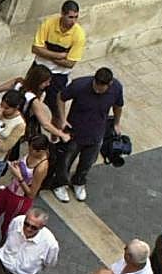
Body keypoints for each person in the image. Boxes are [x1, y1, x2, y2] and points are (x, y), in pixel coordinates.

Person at [52, 67, 125, 203]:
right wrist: (62, 119)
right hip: (74, 130)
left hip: (97, 132)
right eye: (96, 85)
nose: (97, 90)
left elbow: (118, 106)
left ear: (109, 85)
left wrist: (116, 123)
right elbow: (61, 97)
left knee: (88, 161)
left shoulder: (116, 88)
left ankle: (79, 182)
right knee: (66, 159)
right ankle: (59, 184)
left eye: (101, 87)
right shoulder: (79, 85)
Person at [31, 0, 86, 116]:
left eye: (76, 17)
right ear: (62, 14)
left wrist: (45, 53)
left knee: (55, 107)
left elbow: (70, 63)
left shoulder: (79, 35)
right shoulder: (49, 23)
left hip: (59, 75)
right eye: (70, 17)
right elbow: (35, 49)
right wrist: (60, 55)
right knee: (29, 96)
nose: (73, 21)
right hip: (40, 67)